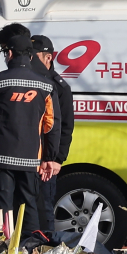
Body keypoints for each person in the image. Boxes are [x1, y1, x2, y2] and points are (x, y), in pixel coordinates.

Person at [0, 34, 59, 238]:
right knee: (29, 203)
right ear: (31, 57)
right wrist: (50, 157)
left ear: (10, 53)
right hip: (31, 157)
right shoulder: (46, 86)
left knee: (4, 204)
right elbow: (51, 125)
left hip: (0, 155)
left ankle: (4, 245)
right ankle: (29, 247)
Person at [31, 35, 74, 234]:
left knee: (43, 206)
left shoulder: (60, 87)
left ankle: (44, 247)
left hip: (47, 160)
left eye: (34, 55)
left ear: (48, 57)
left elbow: (65, 126)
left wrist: (57, 159)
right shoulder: (28, 80)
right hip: (27, 155)